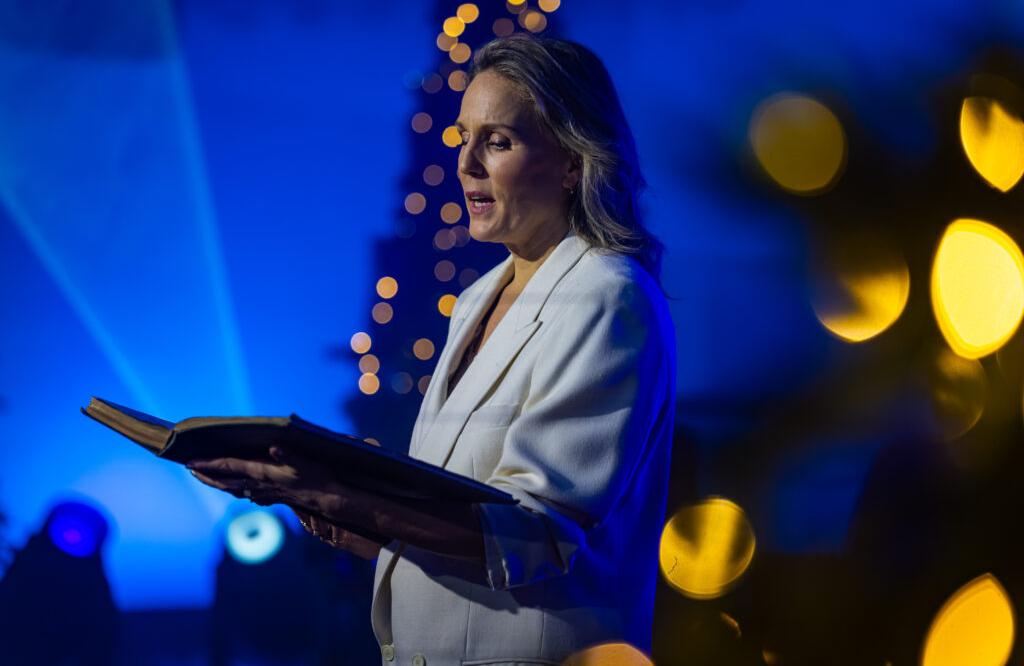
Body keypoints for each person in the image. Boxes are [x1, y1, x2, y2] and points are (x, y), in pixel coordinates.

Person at [190, 35, 676, 665]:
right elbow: (461, 516)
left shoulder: (607, 298)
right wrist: (328, 503)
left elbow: (532, 534)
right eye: (463, 137)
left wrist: (341, 495)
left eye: (498, 141)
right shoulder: (476, 299)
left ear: (573, 162)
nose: (466, 163)